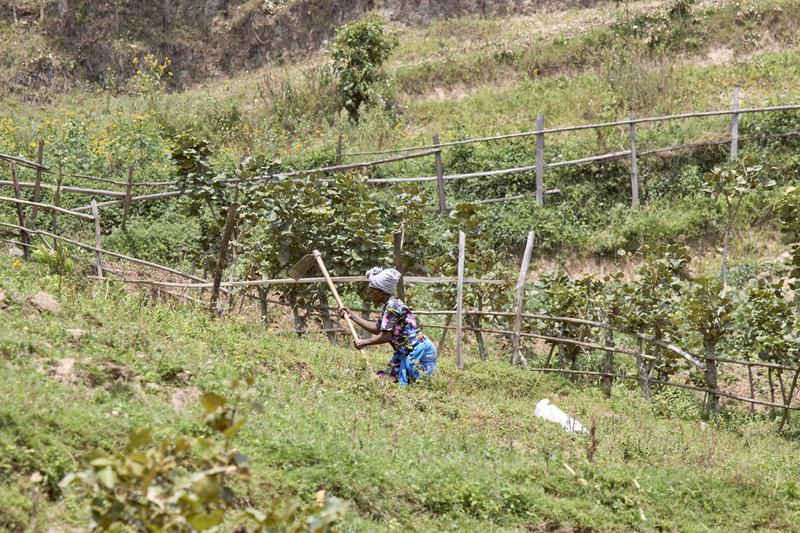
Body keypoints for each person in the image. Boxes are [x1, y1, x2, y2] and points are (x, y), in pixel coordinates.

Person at [338, 267, 437, 386]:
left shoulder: (392, 306)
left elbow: (386, 336)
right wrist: (352, 316)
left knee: (419, 385)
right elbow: (377, 328)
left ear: (381, 291)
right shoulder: (389, 305)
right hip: (405, 352)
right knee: (388, 380)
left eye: (372, 291)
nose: (370, 295)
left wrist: (365, 342)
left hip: (418, 351)